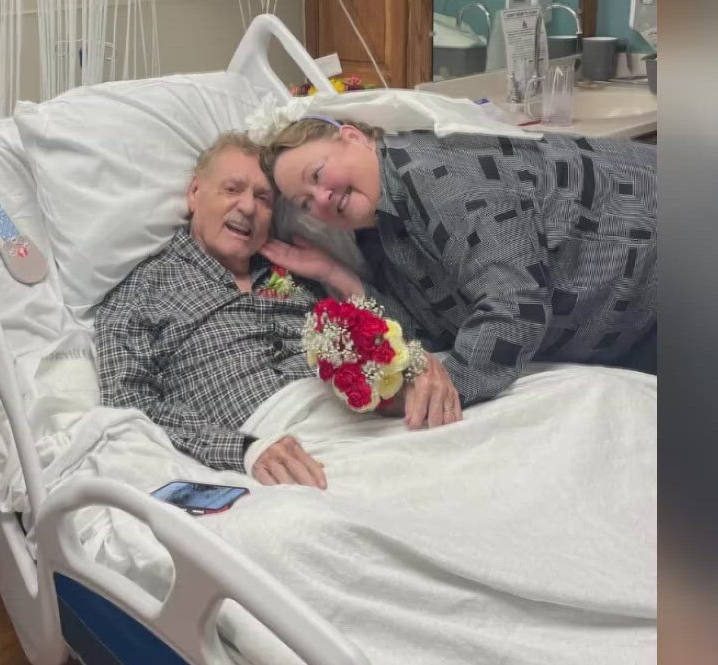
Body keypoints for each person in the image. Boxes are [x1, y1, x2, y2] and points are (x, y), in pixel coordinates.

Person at [94, 134, 463, 490]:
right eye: (232, 189)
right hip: (270, 448)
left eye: (264, 197)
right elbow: (130, 410)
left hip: (362, 424)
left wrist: (410, 361)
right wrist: (242, 449)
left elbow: (386, 337)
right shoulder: (141, 291)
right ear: (194, 193)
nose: (248, 207)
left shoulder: (298, 273)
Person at [262, 117, 657, 406]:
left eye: (317, 174)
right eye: (305, 203)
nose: (322, 198)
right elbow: (430, 329)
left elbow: (516, 305)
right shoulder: (383, 227)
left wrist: (438, 388)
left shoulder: (440, 175)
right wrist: (334, 273)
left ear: (354, 137)